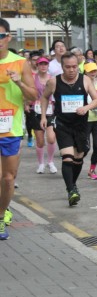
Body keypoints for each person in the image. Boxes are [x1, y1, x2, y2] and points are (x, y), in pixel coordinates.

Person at [40, 52, 97, 206]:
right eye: (68, 67)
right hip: (62, 125)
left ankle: (72, 184)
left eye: (74, 66)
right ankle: (71, 190)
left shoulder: (85, 80)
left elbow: (96, 100)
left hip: (81, 125)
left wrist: (86, 108)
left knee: (78, 158)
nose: (72, 70)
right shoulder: (54, 82)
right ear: (62, 67)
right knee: (67, 157)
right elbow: (44, 97)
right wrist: (43, 116)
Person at [0, 18, 37, 240]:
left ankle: (1, 214)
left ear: (8, 37)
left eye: (1, 36)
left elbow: (33, 95)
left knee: (7, 178)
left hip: (10, 129)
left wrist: (18, 83)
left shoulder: (20, 63)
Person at [29, 57, 58, 174]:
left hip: (51, 111)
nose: (43, 66)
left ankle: (50, 162)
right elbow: (28, 93)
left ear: (48, 66)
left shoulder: (53, 79)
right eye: (41, 64)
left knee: (51, 138)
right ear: (37, 66)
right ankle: (41, 163)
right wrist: (27, 103)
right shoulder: (32, 78)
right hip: (36, 111)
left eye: (45, 64)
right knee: (40, 141)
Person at [83, 62, 97, 180]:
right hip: (85, 120)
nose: (93, 73)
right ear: (85, 72)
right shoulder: (81, 85)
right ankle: (75, 163)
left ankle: (92, 170)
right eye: (90, 71)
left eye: (95, 71)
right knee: (85, 147)